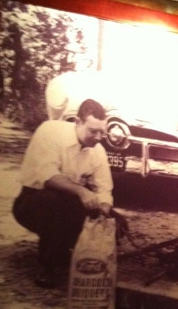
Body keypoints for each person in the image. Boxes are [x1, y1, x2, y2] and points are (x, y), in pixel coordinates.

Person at [12, 98, 114, 288]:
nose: (99, 137)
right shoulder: (50, 131)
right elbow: (47, 177)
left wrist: (105, 208)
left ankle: (70, 252)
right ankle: (46, 267)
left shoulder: (97, 149)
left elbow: (104, 188)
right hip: (33, 201)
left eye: (103, 132)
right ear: (78, 122)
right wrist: (83, 192)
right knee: (56, 203)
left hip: (69, 202)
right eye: (93, 131)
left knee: (117, 224)